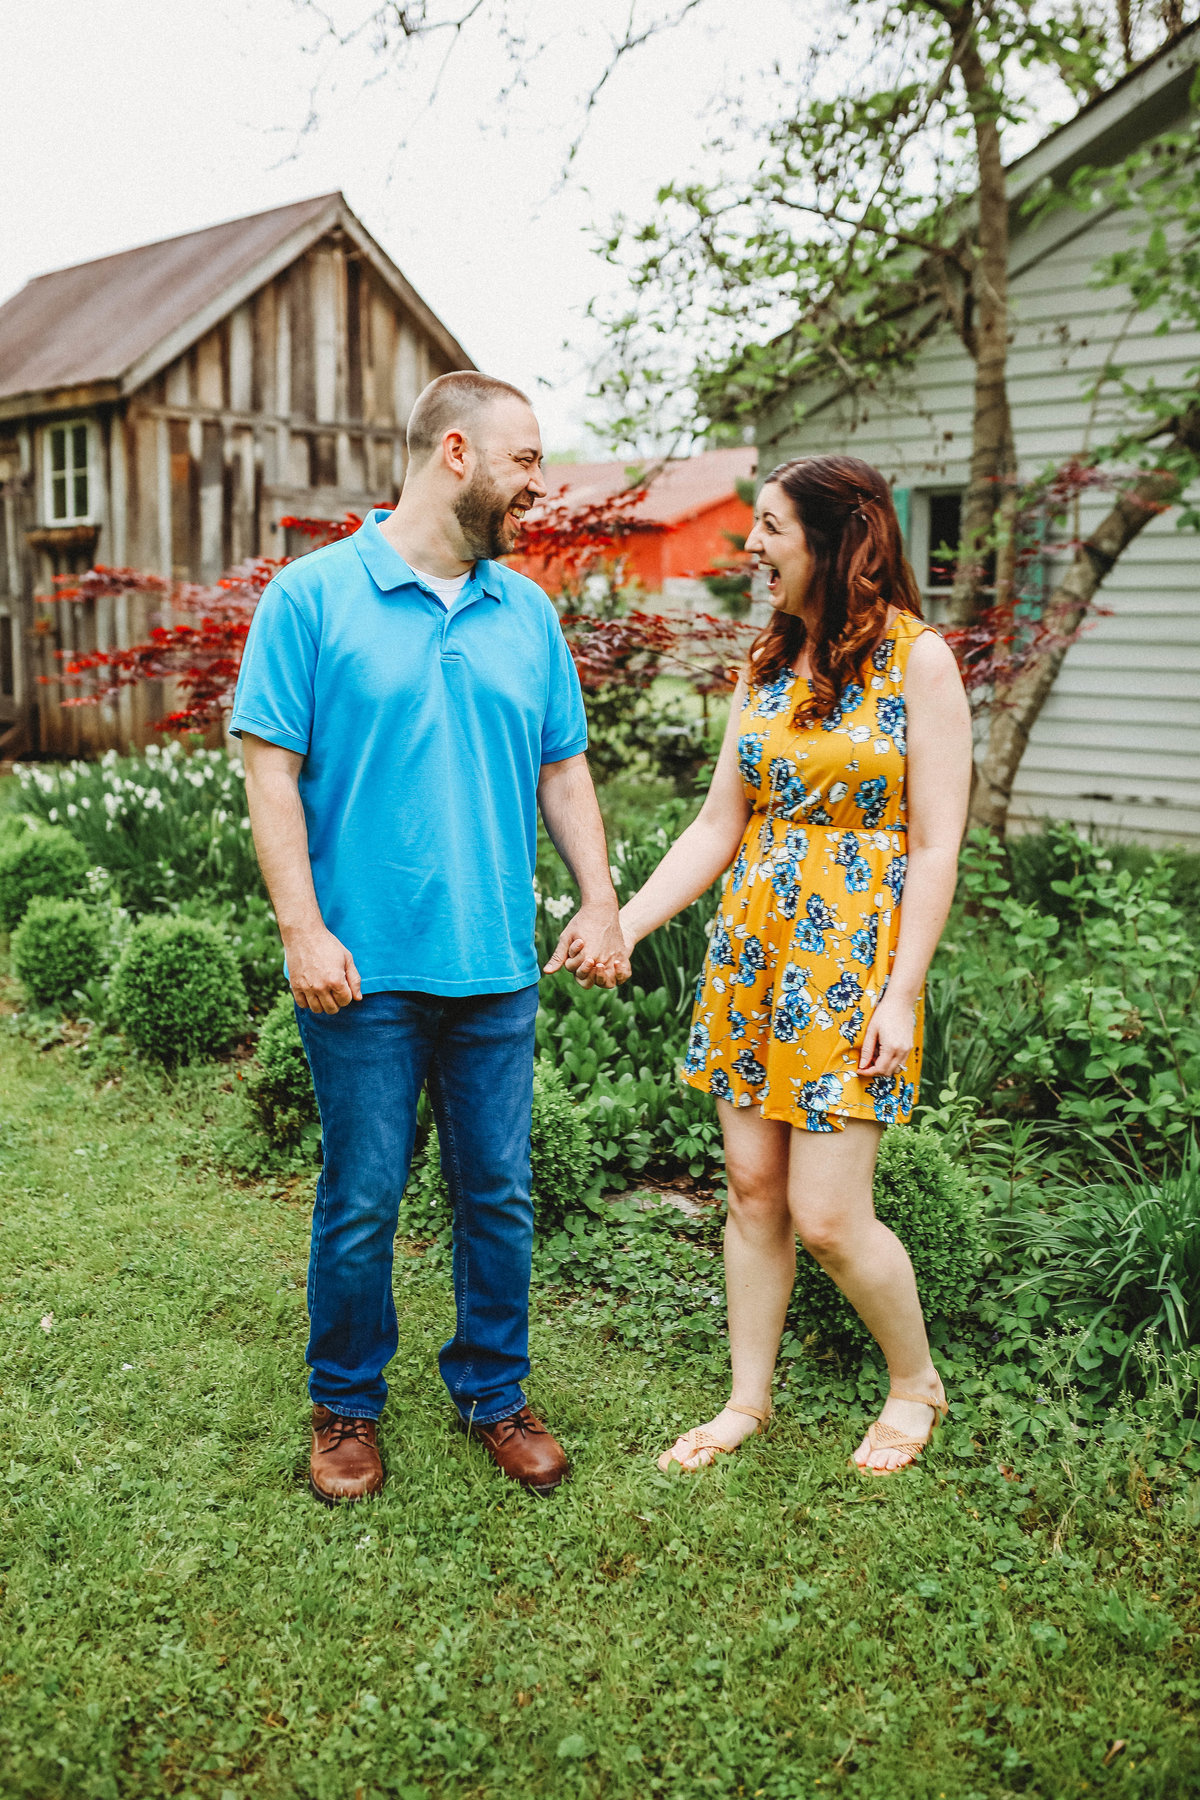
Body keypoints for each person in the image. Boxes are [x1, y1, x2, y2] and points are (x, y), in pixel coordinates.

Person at [231, 371, 629, 1505]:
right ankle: (345, 1405)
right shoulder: (311, 597)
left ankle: (493, 1392)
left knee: (498, 1190)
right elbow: (272, 778)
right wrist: (302, 929)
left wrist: (598, 899)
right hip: (360, 968)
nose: (537, 486)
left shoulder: (529, 612)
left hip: (494, 963)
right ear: (456, 454)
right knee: (361, 1194)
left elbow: (564, 768)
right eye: (525, 461)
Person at [618, 454, 972, 1475]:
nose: (752, 547)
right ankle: (747, 1401)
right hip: (754, 952)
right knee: (750, 1190)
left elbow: (938, 842)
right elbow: (716, 825)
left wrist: (902, 994)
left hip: (854, 961)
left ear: (834, 538)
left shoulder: (920, 663)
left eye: (770, 526)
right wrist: (629, 924)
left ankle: (916, 1382)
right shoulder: (763, 664)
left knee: (826, 1215)